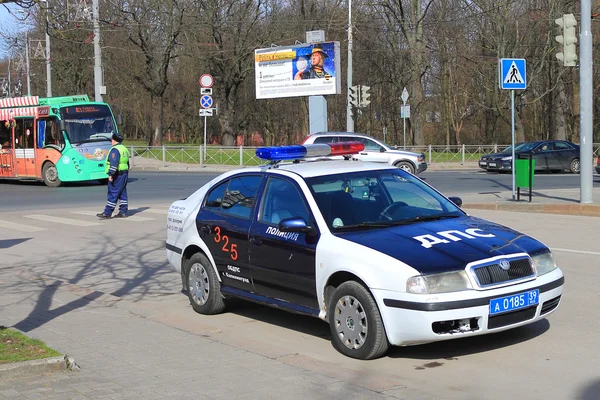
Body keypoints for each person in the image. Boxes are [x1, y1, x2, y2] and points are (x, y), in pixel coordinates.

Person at [97, 133, 130, 219]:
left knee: (113, 192)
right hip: (124, 173)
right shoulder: (124, 149)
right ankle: (123, 211)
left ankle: (107, 212)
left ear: (114, 140)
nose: (111, 141)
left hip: (117, 174)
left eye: (112, 139)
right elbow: (127, 162)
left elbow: (114, 163)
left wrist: (111, 175)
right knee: (122, 193)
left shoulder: (115, 150)